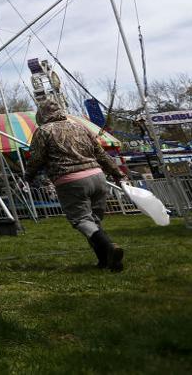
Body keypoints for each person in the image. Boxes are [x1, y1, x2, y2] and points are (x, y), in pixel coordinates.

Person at [24, 98, 125, 271]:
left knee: (82, 220)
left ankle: (109, 248)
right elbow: (100, 154)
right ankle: (105, 261)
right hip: (97, 176)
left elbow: (37, 158)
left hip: (70, 180)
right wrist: (117, 174)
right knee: (94, 223)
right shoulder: (80, 127)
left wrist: (28, 175)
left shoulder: (44, 131)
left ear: (41, 115)